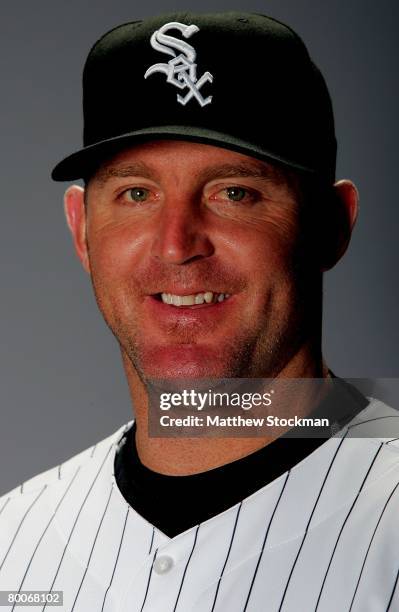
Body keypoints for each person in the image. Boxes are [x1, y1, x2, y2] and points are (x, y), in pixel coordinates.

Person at [0, 11, 398, 612]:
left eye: (235, 192)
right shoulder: (13, 537)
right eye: (136, 193)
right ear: (82, 231)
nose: (176, 243)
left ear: (331, 226)